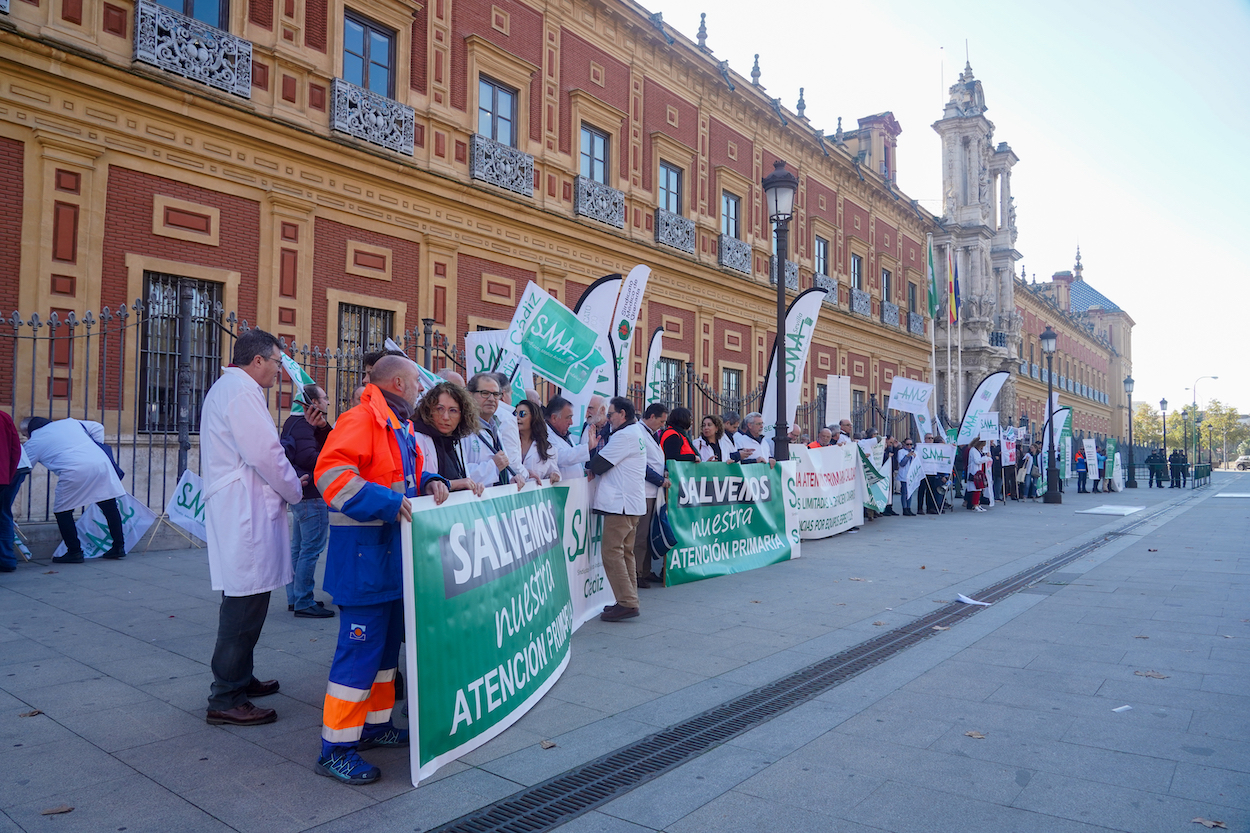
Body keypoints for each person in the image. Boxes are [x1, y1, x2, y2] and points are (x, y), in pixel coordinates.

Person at [314, 355, 450, 784]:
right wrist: (389, 504)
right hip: (364, 563)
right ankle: (335, 749)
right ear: (397, 382)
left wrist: (429, 482)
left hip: (389, 564)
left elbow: (405, 478)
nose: (420, 390)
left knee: (384, 659)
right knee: (357, 661)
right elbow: (331, 475)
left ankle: (374, 726)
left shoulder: (397, 424)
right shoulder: (363, 418)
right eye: (416, 383)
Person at [200, 328, 305, 727]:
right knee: (243, 607)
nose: (280, 371)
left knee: (247, 600)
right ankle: (225, 696)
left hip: (242, 507)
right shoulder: (241, 392)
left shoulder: (231, 389)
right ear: (257, 360)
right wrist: (294, 489)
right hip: (245, 512)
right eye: (278, 363)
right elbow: (266, 453)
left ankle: (239, 679)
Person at [22, 416, 127, 563]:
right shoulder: (70, 423)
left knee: (62, 510)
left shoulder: (33, 442)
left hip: (74, 471)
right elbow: (98, 427)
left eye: (24, 434)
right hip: (101, 464)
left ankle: (74, 551)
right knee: (109, 505)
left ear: (28, 430)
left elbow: (23, 467)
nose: (25, 437)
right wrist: (94, 446)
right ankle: (119, 547)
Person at [587, 397, 647, 622]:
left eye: (611, 414)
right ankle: (629, 598)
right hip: (631, 504)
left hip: (620, 505)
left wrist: (592, 449)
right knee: (625, 553)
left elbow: (599, 465)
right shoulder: (635, 432)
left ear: (622, 414)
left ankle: (627, 602)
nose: (609, 418)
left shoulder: (624, 436)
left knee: (612, 552)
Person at [281, 384, 334, 619]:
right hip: (311, 493)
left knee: (299, 548)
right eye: (324, 398)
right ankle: (303, 600)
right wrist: (333, 462)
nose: (328, 402)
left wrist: (322, 428)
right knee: (310, 549)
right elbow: (310, 457)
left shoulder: (296, 422)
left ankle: (296, 597)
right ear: (312, 402)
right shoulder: (303, 424)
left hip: (301, 494)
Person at [411, 381, 486, 495]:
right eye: (439, 409)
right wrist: (455, 484)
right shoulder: (416, 438)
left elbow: (464, 479)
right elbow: (415, 484)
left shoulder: (456, 442)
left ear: (463, 416)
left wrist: (474, 486)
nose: (445, 417)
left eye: (453, 411)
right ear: (429, 410)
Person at [634, 403, 669, 588]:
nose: (662, 425)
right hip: (645, 490)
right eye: (661, 421)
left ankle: (645, 571)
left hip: (654, 490)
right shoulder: (639, 432)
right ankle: (637, 572)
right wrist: (659, 480)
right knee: (640, 535)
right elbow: (642, 464)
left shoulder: (652, 434)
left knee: (648, 534)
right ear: (652, 416)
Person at [462, 373, 517, 487]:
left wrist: (513, 478)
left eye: (496, 394)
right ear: (469, 395)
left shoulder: (495, 427)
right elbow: (460, 473)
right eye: (485, 393)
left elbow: (502, 468)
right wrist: (493, 466)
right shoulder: (462, 429)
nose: (491, 399)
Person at [0, 411, 28, 573]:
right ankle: (7, 559)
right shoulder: (3, 416)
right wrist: (7, 475)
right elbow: (15, 448)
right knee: (4, 514)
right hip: (7, 475)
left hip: (8, 474)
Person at [545, 395, 595, 480]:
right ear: (554, 418)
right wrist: (587, 447)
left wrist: (583, 471)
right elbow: (559, 457)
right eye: (568, 418)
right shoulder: (545, 435)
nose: (571, 423)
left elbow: (570, 459)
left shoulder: (562, 433)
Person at [514, 399, 560, 485]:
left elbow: (555, 473)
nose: (517, 418)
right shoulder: (506, 442)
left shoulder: (548, 449)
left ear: (534, 417)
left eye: (522, 414)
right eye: (515, 414)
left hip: (535, 497)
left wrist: (554, 476)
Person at [966, 439, 989, 512]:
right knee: (976, 489)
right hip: (974, 471)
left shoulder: (976, 450)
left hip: (977, 471)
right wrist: (986, 458)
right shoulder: (973, 450)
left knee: (979, 489)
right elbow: (977, 461)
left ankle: (977, 504)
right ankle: (975, 505)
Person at [896, 438, 916, 516]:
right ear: (904, 444)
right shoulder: (901, 452)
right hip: (904, 474)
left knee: (910, 492)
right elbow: (902, 463)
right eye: (907, 444)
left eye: (911, 444)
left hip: (911, 474)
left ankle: (909, 508)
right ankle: (904, 508)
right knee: (904, 492)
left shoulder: (914, 452)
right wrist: (907, 456)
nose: (909, 446)